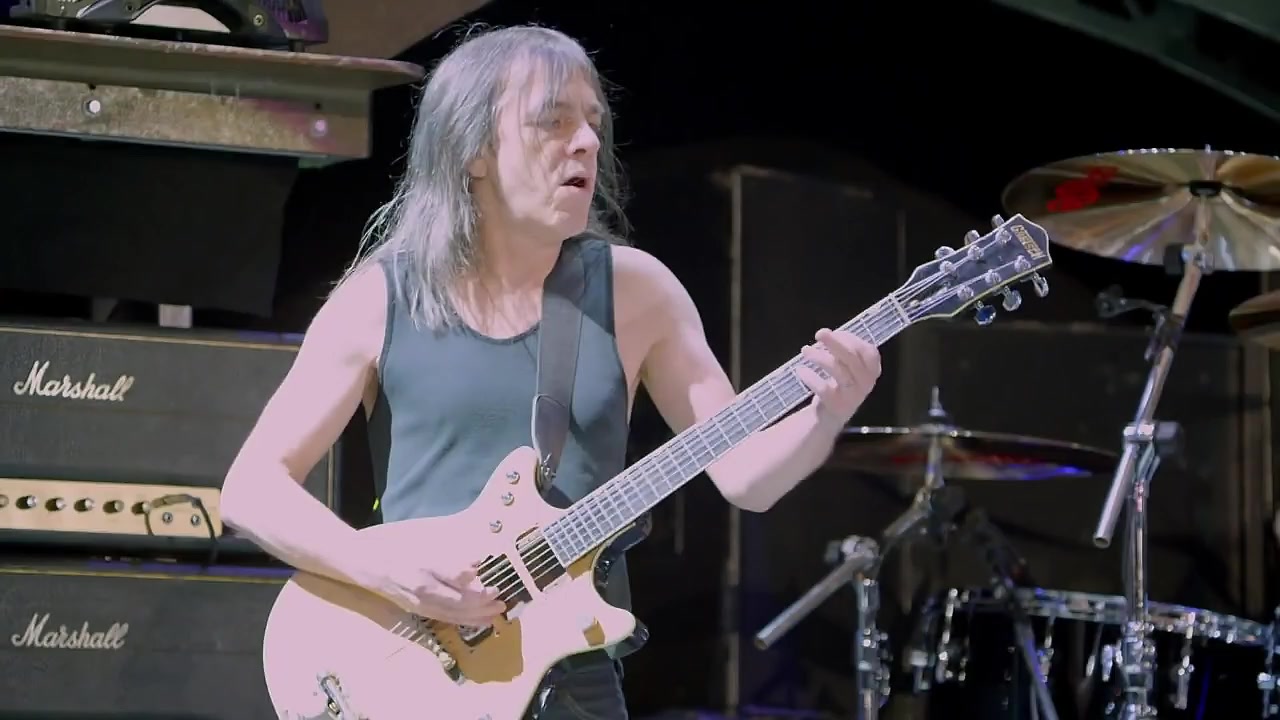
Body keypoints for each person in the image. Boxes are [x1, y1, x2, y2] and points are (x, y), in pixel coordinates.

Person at [221, 23, 882, 720]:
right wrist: (385, 570)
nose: (587, 141)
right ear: (474, 150)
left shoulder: (637, 291)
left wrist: (826, 413)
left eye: (594, 122)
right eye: (553, 121)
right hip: (416, 678)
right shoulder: (381, 298)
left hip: (575, 680)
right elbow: (251, 490)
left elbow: (747, 478)